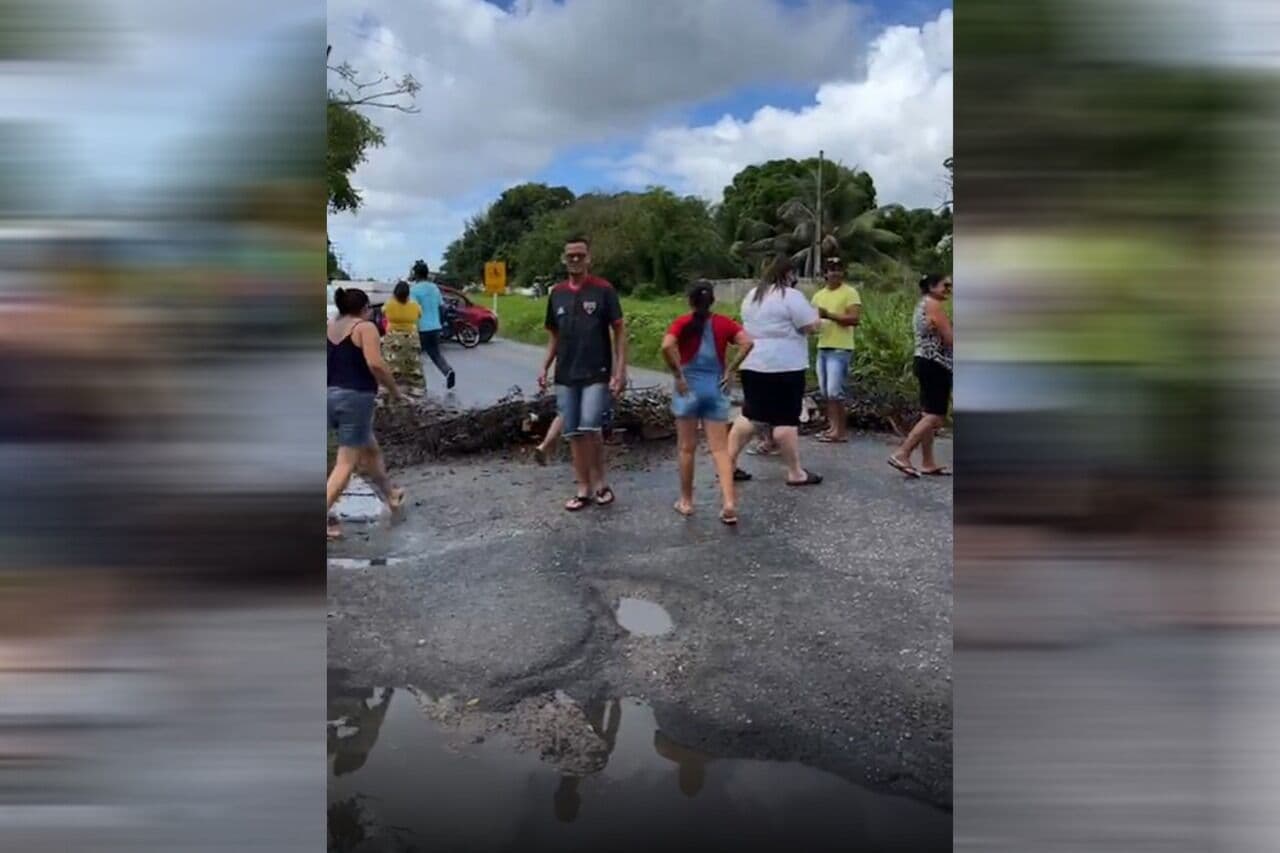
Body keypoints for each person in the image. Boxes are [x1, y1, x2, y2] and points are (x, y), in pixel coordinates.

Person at [538, 236, 627, 510]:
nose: (575, 260)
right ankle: (583, 488)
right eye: (570, 256)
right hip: (566, 373)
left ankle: (602, 484)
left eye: (580, 255)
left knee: (591, 427)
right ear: (564, 259)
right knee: (574, 432)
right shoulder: (557, 293)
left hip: (596, 371)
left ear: (589, 258)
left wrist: (620, 370)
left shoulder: (603, 290)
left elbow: (620, 331)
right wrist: (545, 365)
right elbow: (554, 335)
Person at [661, 281, 753, 524]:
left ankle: (687, 501)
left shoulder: (682, 323)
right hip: (715, 387)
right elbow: (747, 342)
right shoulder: (723, 323)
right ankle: (729, 502)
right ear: (712, 300)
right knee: (720, 449)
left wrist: (678, 374)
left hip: (688, 388)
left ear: (690, 301)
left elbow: (667, 345)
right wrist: (731, 369)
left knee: (686, 448)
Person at [727, 256, 823, 486]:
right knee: (786, 419)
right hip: (785, 365)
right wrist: (817, 315)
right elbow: (808, 326)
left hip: (753, 363)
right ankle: (795, 472)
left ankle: (727, 464)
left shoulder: (752, 295)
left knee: (750, 414)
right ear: (789, 274)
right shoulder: (791, 296)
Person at [327, 287, 406, 540]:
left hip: (328, 395)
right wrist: (394, 390)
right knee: (346, 463)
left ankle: (390, 494)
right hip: (355, 398)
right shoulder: (365, 328)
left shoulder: (331, 326)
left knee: (370, 449)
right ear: (364, 309)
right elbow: (375, 363)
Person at [889, 273, 953, 477]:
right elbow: (949, 338)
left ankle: (928, 461)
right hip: (936, 363)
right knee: (935, 415)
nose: (949, 289)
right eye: (946, 285)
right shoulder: (933, 305)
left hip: (924, 360)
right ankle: (903, 452)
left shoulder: (922, 304)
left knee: (928, 412)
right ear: (933, 287)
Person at [810, 256, 862, 442]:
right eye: (831, 269)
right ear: (825, 273)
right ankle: (833, 428)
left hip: (841, 348)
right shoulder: (818, 296)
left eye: (838, 269)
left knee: (834, 391)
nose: (835, 273)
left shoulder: (850, 293)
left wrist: (829, 315)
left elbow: (854, 319)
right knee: (826, 392)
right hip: (823, 345)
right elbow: (813, 320)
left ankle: (840, 430)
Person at [408, 265, 457, 390]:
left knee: (415, 356)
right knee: (435, 354)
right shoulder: (434, 288)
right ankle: (448, 371)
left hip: (421, 328)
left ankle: (418, 383)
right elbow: (441, 307)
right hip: (435, 327)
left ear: (416, 274)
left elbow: (414, 310)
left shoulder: (414, 290)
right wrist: (439, 323)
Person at [380, 281, 426, 396]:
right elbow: (420, 314)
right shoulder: (414, 305)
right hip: (411, 337)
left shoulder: (389, 304)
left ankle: (388, 387)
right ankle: (417, 388)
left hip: (393, 336)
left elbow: (383, 311)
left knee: (391, 362)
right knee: (413, 363)